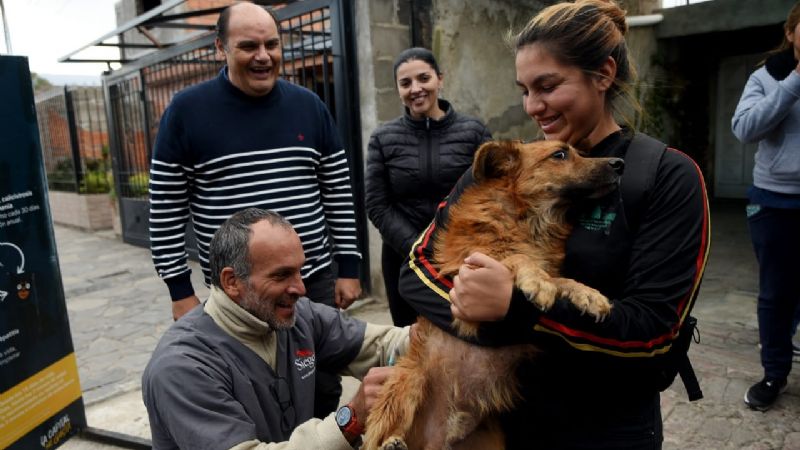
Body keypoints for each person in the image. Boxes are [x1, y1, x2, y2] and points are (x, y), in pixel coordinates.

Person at [398, 1, 709, 448]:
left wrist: (517, 311)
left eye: (547, 86)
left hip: (605, 430)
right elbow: (416, 272)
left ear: (602, 74)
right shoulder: (507, 168)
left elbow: (654, 336)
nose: (533, 107)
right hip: (502, 425)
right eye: (524, 90)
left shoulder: (665, 176)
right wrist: (468, 301)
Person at [148, 1, 361, 418]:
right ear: (219, 49)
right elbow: (165, 208)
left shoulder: (309, 107)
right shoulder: (186, 113)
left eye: (272, 44)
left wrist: (349, 267)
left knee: (319, 380)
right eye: (248, 46)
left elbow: (337, 190)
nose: (263, 56)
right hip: (237, 291)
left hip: (309, 282)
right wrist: (179, 290)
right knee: (246, 393)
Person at [142, 208, 410, 450]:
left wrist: (444, 321)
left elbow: (384, 344)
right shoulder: (181, 368)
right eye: (281, 275)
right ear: (232, 281)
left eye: (299, 271)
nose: (301, 288)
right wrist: (350, 418)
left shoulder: (296, 318)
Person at [365, 47, 492, 327]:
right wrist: (417, 248)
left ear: (440, 79)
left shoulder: (474, 132)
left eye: (424, 78)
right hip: (403, 257)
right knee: (412, 340)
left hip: (460, 256)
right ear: (398, 89)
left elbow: (488, 194)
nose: (416, 89)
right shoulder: (383, 139)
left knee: (464, 334)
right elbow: (377, 204)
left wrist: (448, 246)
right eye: (406, 83)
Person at [731, 0, 800, 411]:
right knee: (776, 292)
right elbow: (744, 129)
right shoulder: (767, 77)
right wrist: (794, 82)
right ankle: (774, 372)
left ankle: (782, 337)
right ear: (792, 33)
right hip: (775, 202)